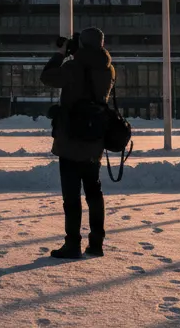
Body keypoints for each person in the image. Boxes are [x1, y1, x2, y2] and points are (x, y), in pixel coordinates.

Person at [41, 26, 115, 259]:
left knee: (71, 196)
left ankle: (72, 244)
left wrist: (62, 54)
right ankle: (96, 243)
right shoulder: (108, 69)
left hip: (71, 140)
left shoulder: (73, 67)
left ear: (82, 45)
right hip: (94, 140)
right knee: (94, 192)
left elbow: (47, 77)